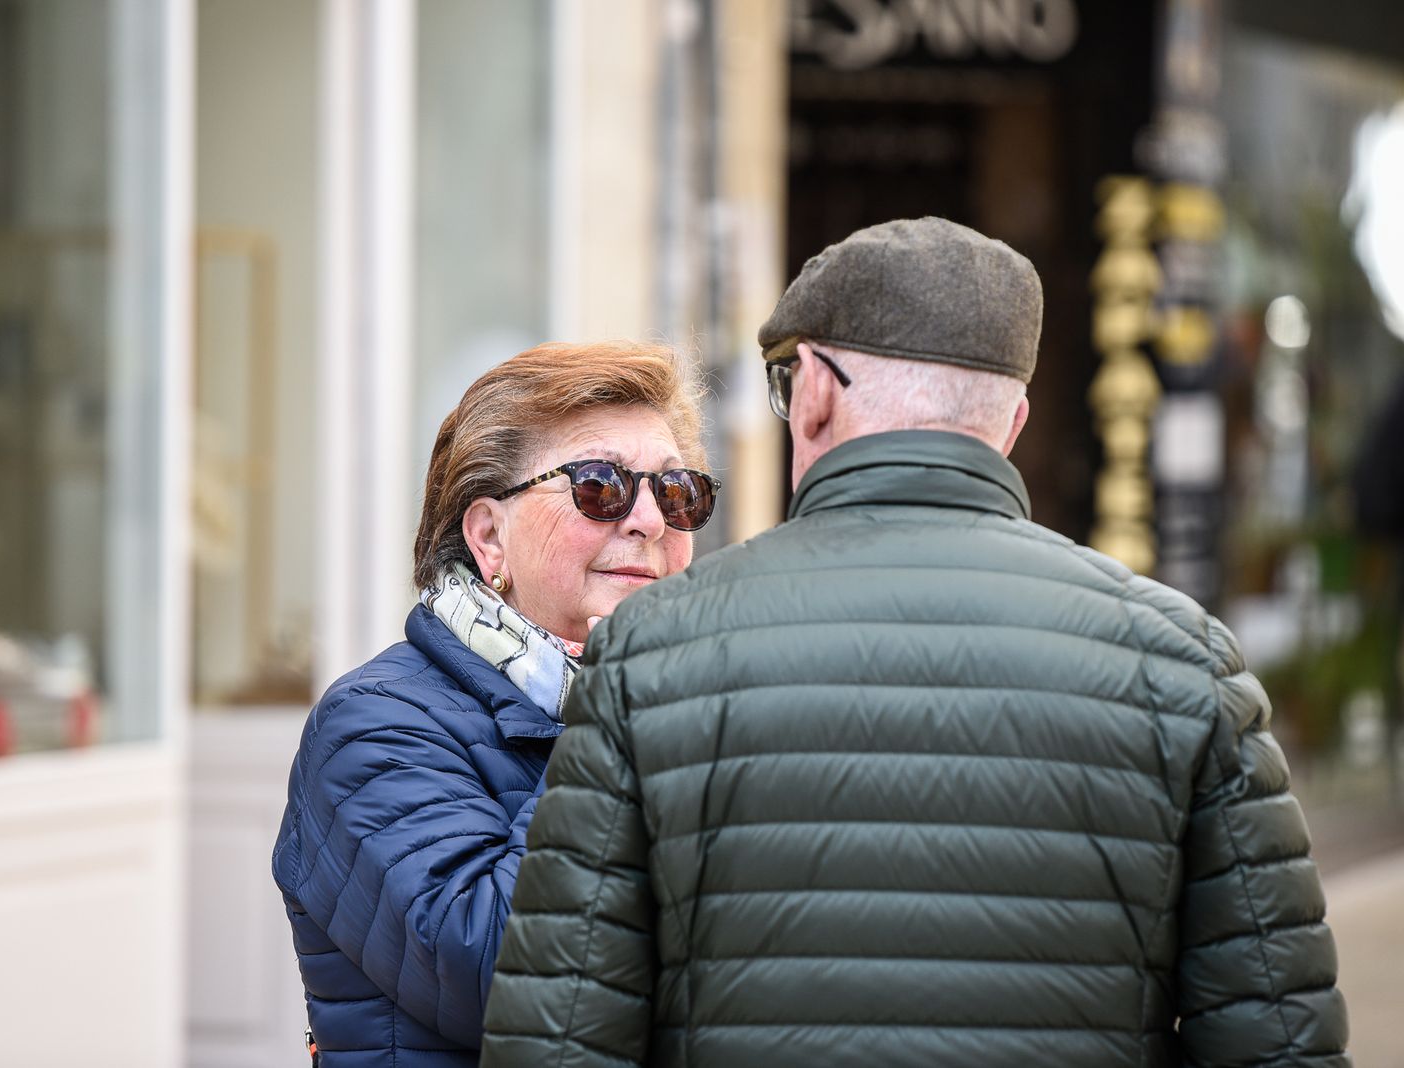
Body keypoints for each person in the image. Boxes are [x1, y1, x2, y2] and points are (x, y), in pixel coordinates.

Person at [481, 219, 1349, 1067]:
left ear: (815, 391)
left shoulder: (649, 652)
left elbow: (560, 1037)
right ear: (1010, 425)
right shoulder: (1184, 662)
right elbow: (1278, 1035)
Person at [273, 341, 720, 1066]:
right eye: (600, 485)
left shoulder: (685, 699)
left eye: (677, 491)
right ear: (489, 536)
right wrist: (616, 692)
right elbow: (498, 975)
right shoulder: (371, 725)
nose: (650, 520)